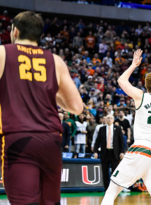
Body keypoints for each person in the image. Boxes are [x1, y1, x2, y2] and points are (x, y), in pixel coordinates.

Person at [0, 11, 83, 204]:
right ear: (39, 35)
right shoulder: (56, 60)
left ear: (15, 32)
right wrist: (47, 92)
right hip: (51, 142)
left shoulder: (3, 53)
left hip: (19, 138)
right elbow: (77, 107)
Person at [100, 49, 151, 205]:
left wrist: (133, 65)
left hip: (140, 150)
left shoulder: (141, 96)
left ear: (145, 85)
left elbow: (121, 81)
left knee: (112, 191)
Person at [94, 115, 124, 190]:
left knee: (115, 173)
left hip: (115, 154)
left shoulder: (118, 128)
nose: (109, 119)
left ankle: (114, 189)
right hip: (105, 153)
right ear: (106, 120)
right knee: (105, 173)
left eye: (111, 118)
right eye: (108, 118)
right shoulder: (102, 129)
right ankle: (106, 189)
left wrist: (122, 152)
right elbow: (97, 141)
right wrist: (95, 151)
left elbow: (121, 141)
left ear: (113, 120)